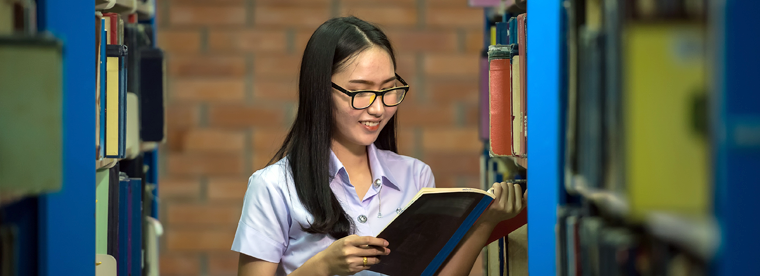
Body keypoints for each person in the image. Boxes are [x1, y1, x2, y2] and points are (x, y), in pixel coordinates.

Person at [233, 16, 526, 276]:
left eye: (387, 90)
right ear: (320, 90)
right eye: (361, 92)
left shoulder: (415, 176)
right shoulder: (273, 186)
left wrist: (485, 224)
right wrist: (322, 267)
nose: (377, 109)